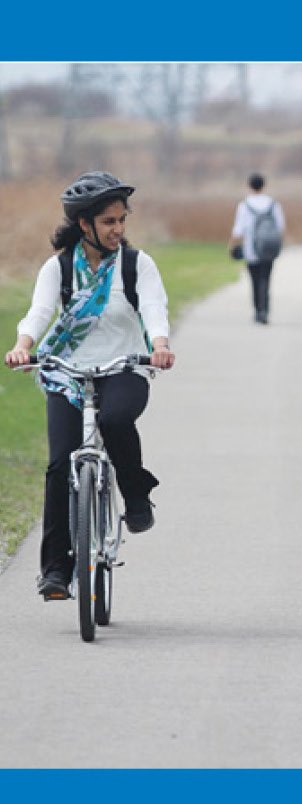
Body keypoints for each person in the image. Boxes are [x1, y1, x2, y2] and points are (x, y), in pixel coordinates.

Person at [5, 172, 175, 600]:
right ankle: (55, 572)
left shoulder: (137, 264)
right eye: (108, 222)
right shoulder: (58, 267)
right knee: (60, 464)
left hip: (124, 366)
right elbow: (39, 312)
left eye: (121, 220)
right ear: (85, 225)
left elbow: (154, 307)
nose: (118, 229)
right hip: (66, 370)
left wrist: (159, 344)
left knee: (116, 418)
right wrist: (23, 346)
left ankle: (135, 494)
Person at [229, 172, 284, 325]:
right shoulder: (273, 204)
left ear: (249, 186)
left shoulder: (244, 205)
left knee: (254, 280)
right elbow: (280, 226)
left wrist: (232, 244)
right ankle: (265, 310)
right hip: (268, 248)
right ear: (264, 186)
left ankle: (257, 311)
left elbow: (238, 229)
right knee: (266, 279)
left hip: (251, 249)